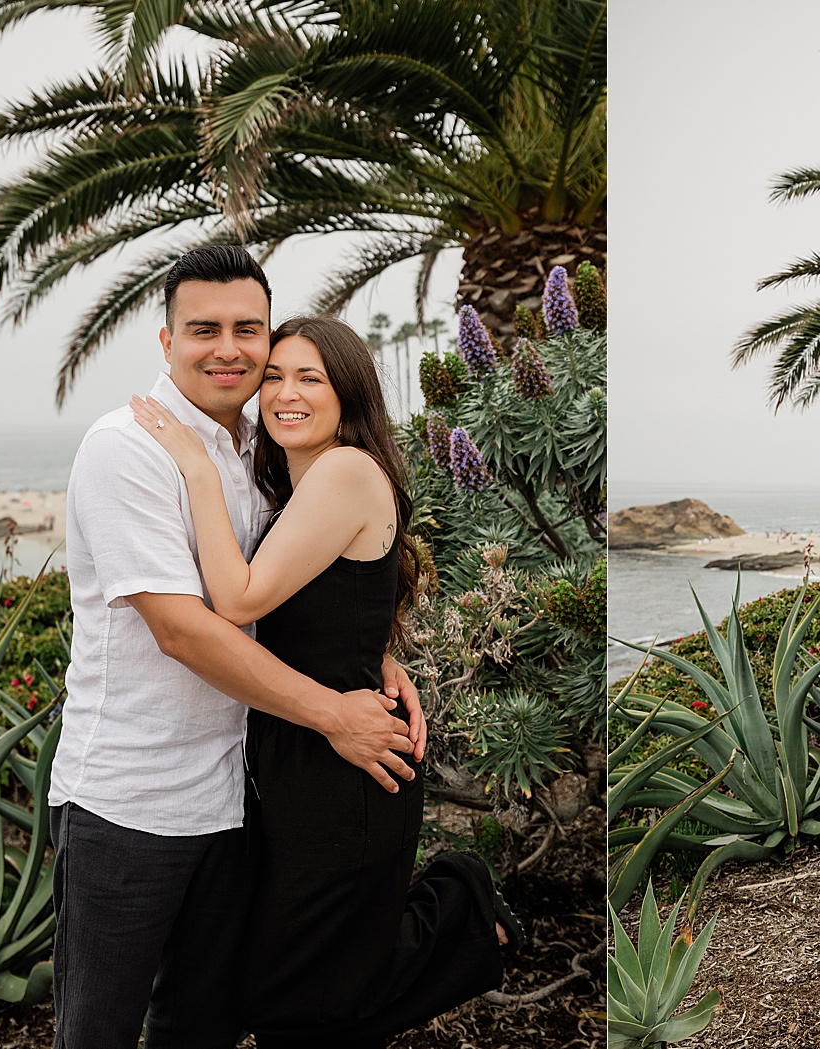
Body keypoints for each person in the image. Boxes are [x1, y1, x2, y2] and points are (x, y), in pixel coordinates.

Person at [49, 246, 425, 1049]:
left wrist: (367, 654)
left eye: (247, 328)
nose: (229, 348)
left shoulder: (260, 455)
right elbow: (185, 627)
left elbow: (307, 588)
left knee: (203, 1026)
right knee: (99, 1032)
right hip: (131, 802)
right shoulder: (128, 448)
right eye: (204, 329)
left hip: (236, 797)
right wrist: (335, 709)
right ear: (166, 340)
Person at [131, 315, 517, 1047]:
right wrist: (376, 652)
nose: (284, 392)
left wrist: (195, 467)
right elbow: (337, 605)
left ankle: (466, 905)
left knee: (294, 996)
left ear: (348, 390)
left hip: (345, 767)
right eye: (273, 375)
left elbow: (239, 598)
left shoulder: (344, 470)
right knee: (308, 995)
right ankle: (464, 919)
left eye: (309, 376)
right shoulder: (301, 483)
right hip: (304, 754)